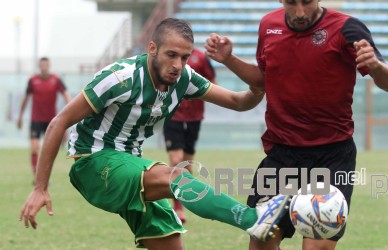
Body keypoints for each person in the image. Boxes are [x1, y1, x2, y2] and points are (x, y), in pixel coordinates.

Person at [19, 18, 291, 249]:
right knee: (176, 176)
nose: (177, 64)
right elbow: (59, 122)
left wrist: (259, 85)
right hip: (94, 163)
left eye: (184, 57)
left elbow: (237, 102)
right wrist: (40, 188)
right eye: (171, 55)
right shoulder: (120, 78)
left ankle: (256, 221)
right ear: (152, 48)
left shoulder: (183, 78)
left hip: (133, 167)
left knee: (168, 240)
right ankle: (252, 218)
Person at [204, 0, 388, 249]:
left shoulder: (347, 28)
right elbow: (265, 80)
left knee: (317, 246)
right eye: (291, 3)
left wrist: (375, 66)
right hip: (282, 154)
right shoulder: (268, 25)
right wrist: (229, 59)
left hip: (332, 156)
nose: (299, 12)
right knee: (261, 240)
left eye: (306, 2)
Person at [163, 48, 216, 223]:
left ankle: (185, 201)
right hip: (173, 115)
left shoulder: (201, 57)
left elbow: (212, 81)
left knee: (187, 164)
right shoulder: (168, 57)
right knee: (176, 160)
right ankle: (177, 208)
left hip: (194, 117)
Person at [17, 57, 72, 179]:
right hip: (35, 120)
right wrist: (20, 116)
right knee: (35, 147)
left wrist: (70, 115)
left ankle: (44, 178)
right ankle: (37, 179)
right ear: (39, 66)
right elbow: (25, 98)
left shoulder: (56, 80)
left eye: (46, 65)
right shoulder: (32, 80)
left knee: (48, 153)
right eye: (42, 65)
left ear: (49, 66)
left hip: (51, 121)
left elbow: (67, 96)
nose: (44, 68)